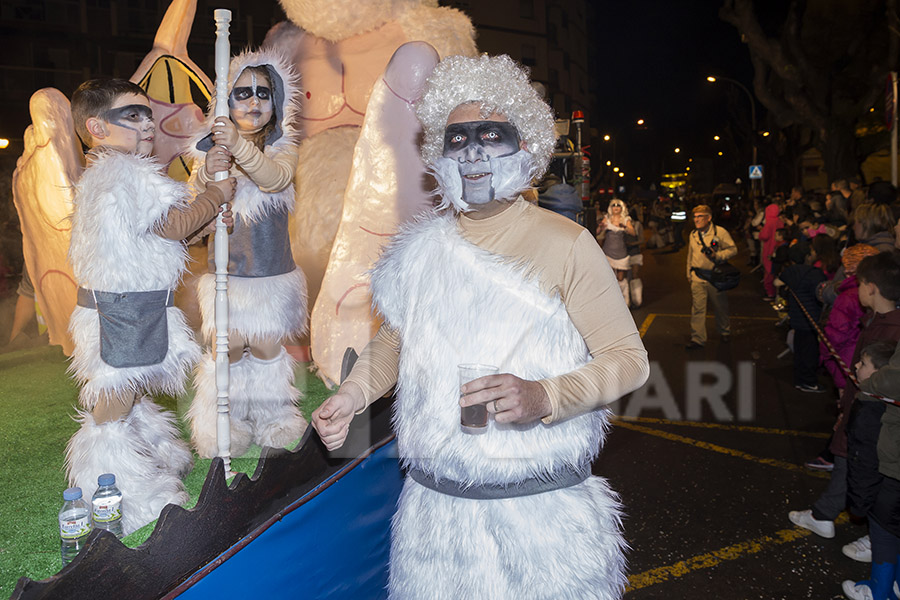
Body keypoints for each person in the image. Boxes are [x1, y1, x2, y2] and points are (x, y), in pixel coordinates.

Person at [311, 54, 649, 599]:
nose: (472, 151)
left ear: (526, 147)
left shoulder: (567, 244)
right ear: (438, 154)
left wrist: (545, 395)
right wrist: (352, 395)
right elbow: (397, 342)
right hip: (434, 525)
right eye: (458, 137)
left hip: (541, 522)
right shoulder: (418, 253)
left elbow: (628, 361)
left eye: (491, 134)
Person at [65, 78, 235, 534]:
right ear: (97, 127)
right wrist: (216, 196)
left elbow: (165, 236)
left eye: (148, 115)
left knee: (131, 391)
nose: (146, 124)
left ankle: (153, 456)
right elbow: (173, 225)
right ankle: (121, 493)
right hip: (122, 309)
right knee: (112, 405)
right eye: (132, 115)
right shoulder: (123, 172)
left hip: (130, 305)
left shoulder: (115, 173)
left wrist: (207, 205)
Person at [186, 49, 309, 459]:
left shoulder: (283, 149)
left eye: (263, 92)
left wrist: (236, 144)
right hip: (229, 275)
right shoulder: (210, 154)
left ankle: (274, 419)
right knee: (229, 348)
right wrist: (208, 172)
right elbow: (195, 211)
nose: (253, 101)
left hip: (271, 276)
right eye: (242, 93)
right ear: (226, 101)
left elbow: (273, 179)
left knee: (267, 349)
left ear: (277, 100)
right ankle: (222, 423)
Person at [790, 251, 900, 543]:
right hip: (862, 408)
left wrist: (852, 404)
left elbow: (875, 379)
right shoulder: (879, 320)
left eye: (860, 283)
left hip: (875, 415)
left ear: (872, 288)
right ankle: (825, 514)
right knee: (845, 458)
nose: (857, 288)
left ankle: (878, 537)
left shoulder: (887, 329)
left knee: (868, 471)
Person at [841, 341, 900, 599]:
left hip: (886, 483)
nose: (855, 365)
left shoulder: (870, 408)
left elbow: (863, 460)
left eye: (863, 364)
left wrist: (860, 503)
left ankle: (879, 590)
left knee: (884, 534)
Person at [777, 239, 828, 392]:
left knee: (800, 352)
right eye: (811, 251)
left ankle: (800, 379)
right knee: (810, 353)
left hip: (797, 319)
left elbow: (778, 283)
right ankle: (808, 382)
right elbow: (822, 294)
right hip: (811, 319)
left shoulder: (790, 272)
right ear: (807, 256)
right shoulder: (814, 274)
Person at [685, 204, 737, 349]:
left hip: (715, 276)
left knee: (720, 306)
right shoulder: (693, 234)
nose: (696, 220)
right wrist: (688, 272)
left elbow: (733, 249)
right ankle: (697, 338)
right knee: (697, 308)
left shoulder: (720, 232)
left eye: (700, 216)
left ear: (709, 218)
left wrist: (718, 256)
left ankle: (724, 331)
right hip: (698, 276)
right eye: (695, 217)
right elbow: (690, 254)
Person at [596, 198, 635, 305]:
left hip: (621, 253)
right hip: (608, 252)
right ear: (610, 208)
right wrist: (601, 227)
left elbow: (633, 233)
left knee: (621, 278)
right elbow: (597, 232)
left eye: (618, 206)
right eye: (613, 206)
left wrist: (625, 227)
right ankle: (612, 302)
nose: (616, 208)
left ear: (622, 208)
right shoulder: (606, 218)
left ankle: (624, 301)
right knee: (611, 277)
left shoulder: (625, 219)